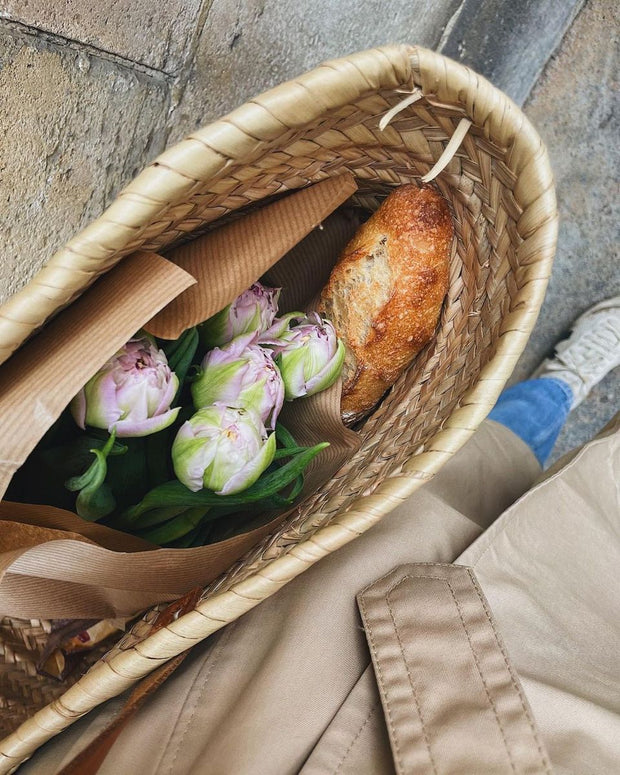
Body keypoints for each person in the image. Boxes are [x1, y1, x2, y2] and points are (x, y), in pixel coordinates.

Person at [22, 298, 620, 775]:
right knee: (541, 505)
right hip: (562, 713)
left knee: (445, 489)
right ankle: (560, 389)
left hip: (237, 727)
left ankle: (551, 393)